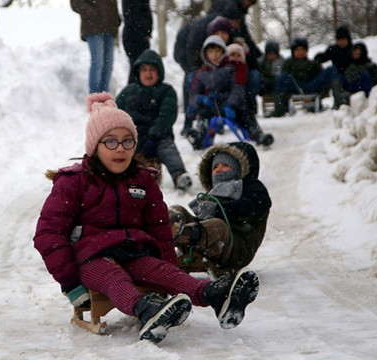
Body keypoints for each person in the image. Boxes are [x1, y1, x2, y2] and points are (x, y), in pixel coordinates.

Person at [33, 93, 260, 343]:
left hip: (133, 251)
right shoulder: (74, 181)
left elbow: (159, 227)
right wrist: (70, 283)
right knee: (113, 276)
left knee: (161, 270)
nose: (120, 148)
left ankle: (215, 296)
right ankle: (146, 309)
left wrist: (168, 268)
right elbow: (49, 233)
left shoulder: (141, 180)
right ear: (94, 147)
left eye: (127, 141)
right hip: (91, 257)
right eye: (110, 142)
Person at [169, 141, 271, 277]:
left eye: (225, 165)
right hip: (207, 244)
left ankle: (185, 235)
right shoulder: (213, 193)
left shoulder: (250, 187)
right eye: (215, 166)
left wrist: (221, 208)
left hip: (236, 250)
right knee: (177, 211)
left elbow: (258, 205)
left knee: (217, 225)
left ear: (239, 168)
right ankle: (168, 234)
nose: (219, 169)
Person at [116, 49, 193, 190]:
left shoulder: (166, 91)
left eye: (152, 69)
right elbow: (116, 113)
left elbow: (167, 116)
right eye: (144, 70)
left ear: (159, 72)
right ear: (138, 72)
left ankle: (179, 175)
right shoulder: (128, 91)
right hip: (132, 137)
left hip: (158, 137)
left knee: (169, 150)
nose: (148, 73)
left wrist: (154, 135)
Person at [187, 35, 274, 147]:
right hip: (212, 105)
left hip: (230, 104)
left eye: (218, 51)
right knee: (203, 114)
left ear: (223, 52)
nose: (214, 55)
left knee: (245, 112)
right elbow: (193, 95)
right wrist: (201, 99)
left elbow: (237, 89)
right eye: (211, 51)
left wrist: (231, 104)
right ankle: (198, 137)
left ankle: (257, 134)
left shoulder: (232, 68)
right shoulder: (201, 74)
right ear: (205, 54)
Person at [271, 38, 348, 117]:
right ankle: (279, 109)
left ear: (306, 51)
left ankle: (339, 102)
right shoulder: (288, 63)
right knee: (282, 76)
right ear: (293, 51)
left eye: (303, 49)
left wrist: (322, 92)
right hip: (297, 86)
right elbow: (284, 82)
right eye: (297, 50)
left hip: (312, 85)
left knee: (332, 70)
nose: (300, 52)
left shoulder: (313, 63)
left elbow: (323, 80)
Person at [70, 0, 121, 93]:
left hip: (110, 27)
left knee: (108, 65)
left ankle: (104, 96)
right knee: (98, 63)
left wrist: (116, 19)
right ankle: (94, 97)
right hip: (93, 28)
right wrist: (93, 13)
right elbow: (75, 3)